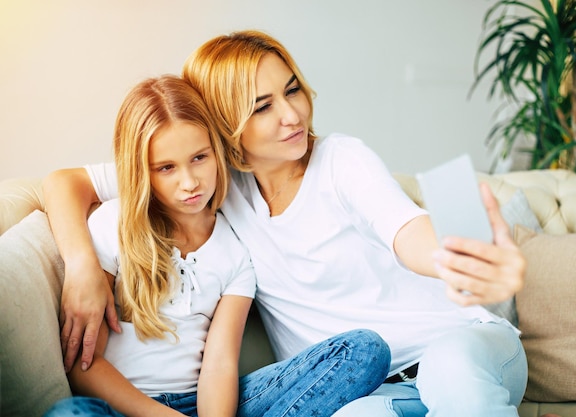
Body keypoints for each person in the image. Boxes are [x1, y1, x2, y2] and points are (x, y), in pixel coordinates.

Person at [43, 30, 528, 417]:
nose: (292, 114)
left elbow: (406, 231)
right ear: (223, 123)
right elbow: (65, 183)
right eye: (263, 106)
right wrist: (83, 265)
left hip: (458, 344)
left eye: (291, 89)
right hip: (377, 390)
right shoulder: (211, 182)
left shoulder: (342, 160)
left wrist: (456, 257)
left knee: (452, 371)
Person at [42, 75, 390, 417]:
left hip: (206, 404)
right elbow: (84, 365)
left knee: (364, 351)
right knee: (70, 413)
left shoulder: (236, 250)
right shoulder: (113, 224)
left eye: (199, 158)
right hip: (123, 407)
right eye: (166, 168)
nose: (190, 182)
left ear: (218, 153)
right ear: (141, 172)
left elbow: (219, 365)